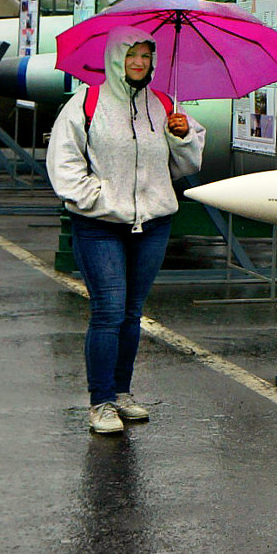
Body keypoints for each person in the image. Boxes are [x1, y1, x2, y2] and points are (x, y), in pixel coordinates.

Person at [46, 25, 205, 435]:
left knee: (133, 313)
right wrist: (95, 199)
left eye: (146, 56)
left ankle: (122, 392)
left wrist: (182, 137)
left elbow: (186, 165)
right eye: (131, 55)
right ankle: (100, 401)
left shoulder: (164, 105)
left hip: (152, 223)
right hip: (100, 225)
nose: (139, 63)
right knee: (109, 311)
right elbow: (63, 162)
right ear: (116, 59)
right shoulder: (88, 102)